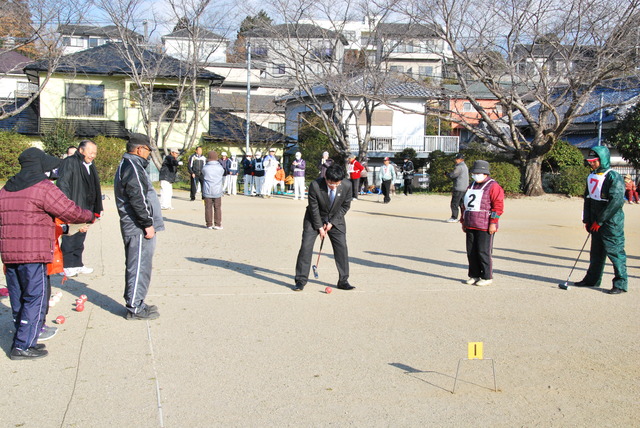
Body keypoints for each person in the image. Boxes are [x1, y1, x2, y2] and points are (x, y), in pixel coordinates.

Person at [0, 147, 95, 359]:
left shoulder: (6, 188)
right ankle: (23, 346)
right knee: (36, 298)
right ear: (39, 165)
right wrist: (88, 215)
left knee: (18, 297)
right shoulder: (42, 187)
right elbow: (68, 210)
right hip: (33, 255)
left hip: (9, 254)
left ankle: (23, 337)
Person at [114, 134, 165, 320]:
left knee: (141, 265)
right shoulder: (132, 166)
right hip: (137, 226)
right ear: (139, 149)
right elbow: (138, 198)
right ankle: (135, 307)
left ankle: (138, 301)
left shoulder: (132, 165)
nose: (149, 154)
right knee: (138, 266)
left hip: (138, 225)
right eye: (148, 150)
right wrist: (147, 223)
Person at [573, 146, 628, 294]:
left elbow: (616, 201)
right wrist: (588, 220)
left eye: (595, 161)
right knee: (596, 252)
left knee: (615, 251)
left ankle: (620, 283)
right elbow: (588, 198)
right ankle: (592, 279)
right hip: (595, 220)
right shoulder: (591, 176)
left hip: (611, 222)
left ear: (602, 160)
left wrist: (601, 220)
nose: (592, 164)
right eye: (590, 161)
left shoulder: (613, 176)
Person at [294, 164, 355, 292]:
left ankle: (343, 280)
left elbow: (345, 206)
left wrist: (331, 222)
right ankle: (300, 280)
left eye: (337, 184)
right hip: (314, 218)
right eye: (331, 184)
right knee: (306, 246)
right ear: (326, 178)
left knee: (342, 247)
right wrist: (320, 227)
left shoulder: (347, 185)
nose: (334, 187)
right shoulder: (315, 185)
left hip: (336, 219)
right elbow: (313, 208)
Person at [56, 139, 103, 277]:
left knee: (81, 236)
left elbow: (95, 186)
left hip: (86, 206)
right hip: (73, 205)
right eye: (90, 152)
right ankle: (66, 265)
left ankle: (77, 263)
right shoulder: (70, 162)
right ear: (81, 150)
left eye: (95, 153)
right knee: (71, 235)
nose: (93, 155)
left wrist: (97, 206)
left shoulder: (90, 164)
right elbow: (63, 184)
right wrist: (66, 205)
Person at [461, 160, 504, 286]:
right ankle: (474, 274)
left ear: (485, 173)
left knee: (483, 251)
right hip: (470, 222)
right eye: (474, 173)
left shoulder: (493, 186)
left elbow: (498, 206)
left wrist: (493, 222)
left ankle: (486, 276)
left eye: (479, 173)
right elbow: (465, 205)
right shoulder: (472, 185)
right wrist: (463, 221)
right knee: (471, 251)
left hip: (485, 225)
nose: (476, 175)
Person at [202, 151, 225, 230]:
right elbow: (222, 173)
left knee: (208, 207)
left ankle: (209, 224)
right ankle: (217, 224)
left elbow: (203, 174)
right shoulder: (220, 168)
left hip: (207, 190)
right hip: (217, 190)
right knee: (217, 207)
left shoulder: (205, 168)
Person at [446, 153, 469, 223]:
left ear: (460, 159)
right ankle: (464, 217)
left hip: (459, 188)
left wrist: (447, 174)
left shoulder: (459, 167)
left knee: (454, 203)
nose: (455, 160)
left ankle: (454, 217)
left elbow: (453, 175)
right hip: (465, 188)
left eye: (457, 159)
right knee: (462, 204)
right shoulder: (465, 166)